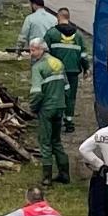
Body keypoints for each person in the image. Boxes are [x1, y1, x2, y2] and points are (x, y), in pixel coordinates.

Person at [27, 38, 71, 184]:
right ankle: (64, 174)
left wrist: (32, 107)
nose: (31, 53)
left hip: (47, 108)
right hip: (60, 106)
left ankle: (47, 178)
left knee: (45, 142)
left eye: (33, 50)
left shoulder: (38, 67)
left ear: (41, 49)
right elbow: (67, 88)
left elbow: (36, 92)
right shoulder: (58, 62)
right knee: (57, 141)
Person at [47, 8, 89, 133]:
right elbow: (83, 55)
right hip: (73, 71)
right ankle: (69, 122)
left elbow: (44, 52)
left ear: (58, 18)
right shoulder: (79, 35)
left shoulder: (51, 34)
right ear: (68, 18)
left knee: (55, 95)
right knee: (70, 97)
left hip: (56, 71)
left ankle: (56, 121)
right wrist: (86, 68)